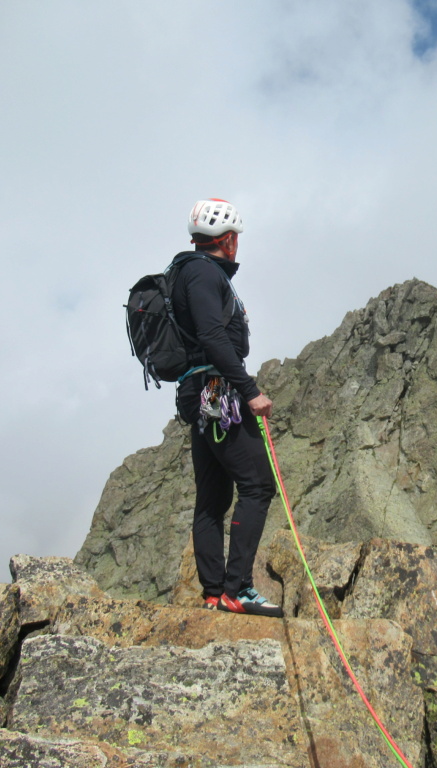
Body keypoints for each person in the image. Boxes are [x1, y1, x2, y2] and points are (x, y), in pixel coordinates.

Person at [172, 198, 282, 617]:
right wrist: (251, 391)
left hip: (200, 394)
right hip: (218, 392)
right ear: (230, 241)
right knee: (258, 486)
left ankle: (215, 593)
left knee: (212, 499)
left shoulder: (189, 270)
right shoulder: (203, 273)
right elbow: (214, 337)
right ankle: (237, 590)